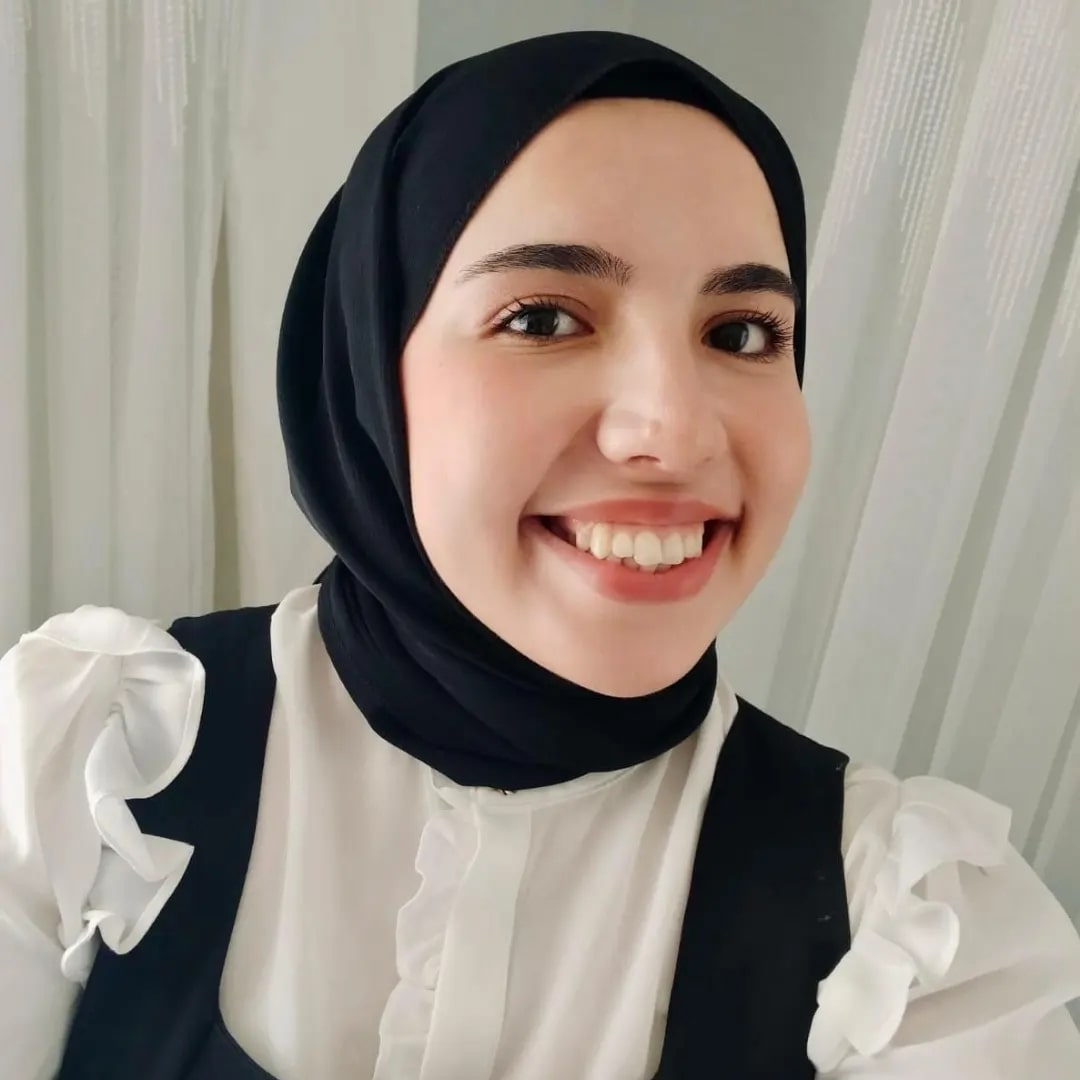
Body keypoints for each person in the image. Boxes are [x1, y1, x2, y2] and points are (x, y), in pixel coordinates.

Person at [2, 29, 1078, 1080]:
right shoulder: (81, 764)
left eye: (742, 332)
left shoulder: (912, 929)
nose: (675, 432)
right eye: (544, 319)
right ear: (368, 372)